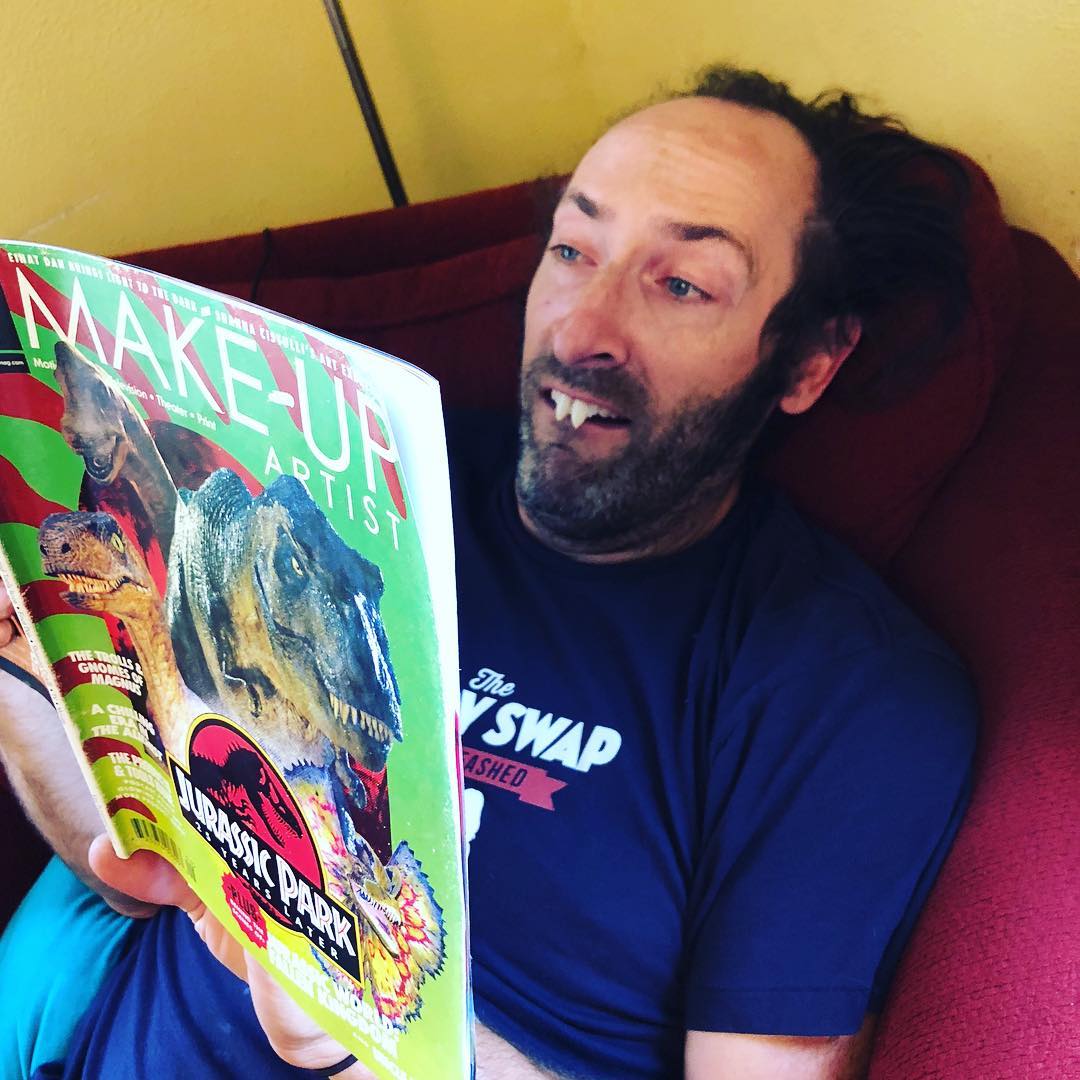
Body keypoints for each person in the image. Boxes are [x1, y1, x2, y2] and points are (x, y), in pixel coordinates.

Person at [0, 65, 977, 1079]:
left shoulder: (847, 695)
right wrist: (22, 661)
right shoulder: (352, 488)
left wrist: (375, 1044)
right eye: (574, 249)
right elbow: (132, 870)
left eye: (682, 283)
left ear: (810, 362)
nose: (581, 329)